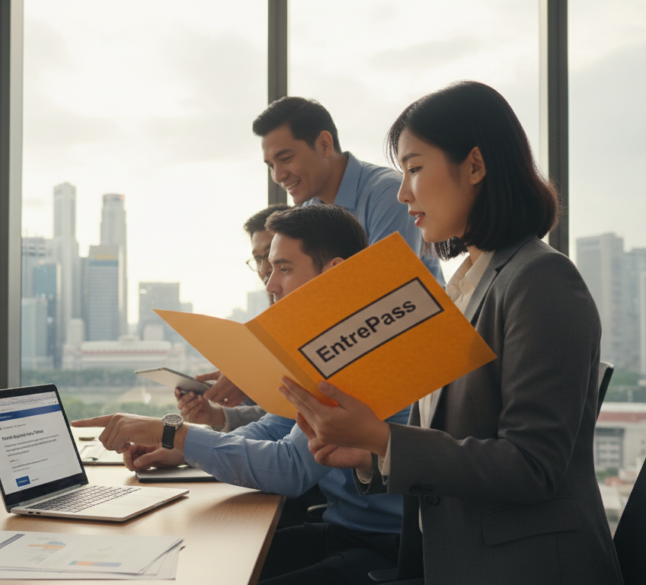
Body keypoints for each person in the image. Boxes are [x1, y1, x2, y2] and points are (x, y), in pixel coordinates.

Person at [279, 81, 623, 584]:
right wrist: (375, 454)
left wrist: (384, 436)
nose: (402, 193)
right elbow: (459, 443)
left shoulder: (542, 280)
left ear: (476, 166)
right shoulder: (469, 287)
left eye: (415, 169)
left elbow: (533, 466)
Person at [72, 205, 410, 585]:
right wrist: (184, 449)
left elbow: (290, 468)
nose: (271, 285)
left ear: (333, 272)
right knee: (190, 564)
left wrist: (173, 433)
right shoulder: (317, 347)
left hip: (388, 549)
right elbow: (271, 430)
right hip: (343, 531)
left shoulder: (359, 351)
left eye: (284, 268)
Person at [253, 96, 443, 283]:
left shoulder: (388, 194)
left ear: (324, 144)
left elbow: (385, 289)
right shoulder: (308, 210)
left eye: (286, 159)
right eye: (271, 165)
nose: (278, 176)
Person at [177, 204, 287, 432]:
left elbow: (288, 423)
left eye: (273, 257)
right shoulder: (267, 327)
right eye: (258, 259)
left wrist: (187, 443)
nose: (265, 269)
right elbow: (271, 419)